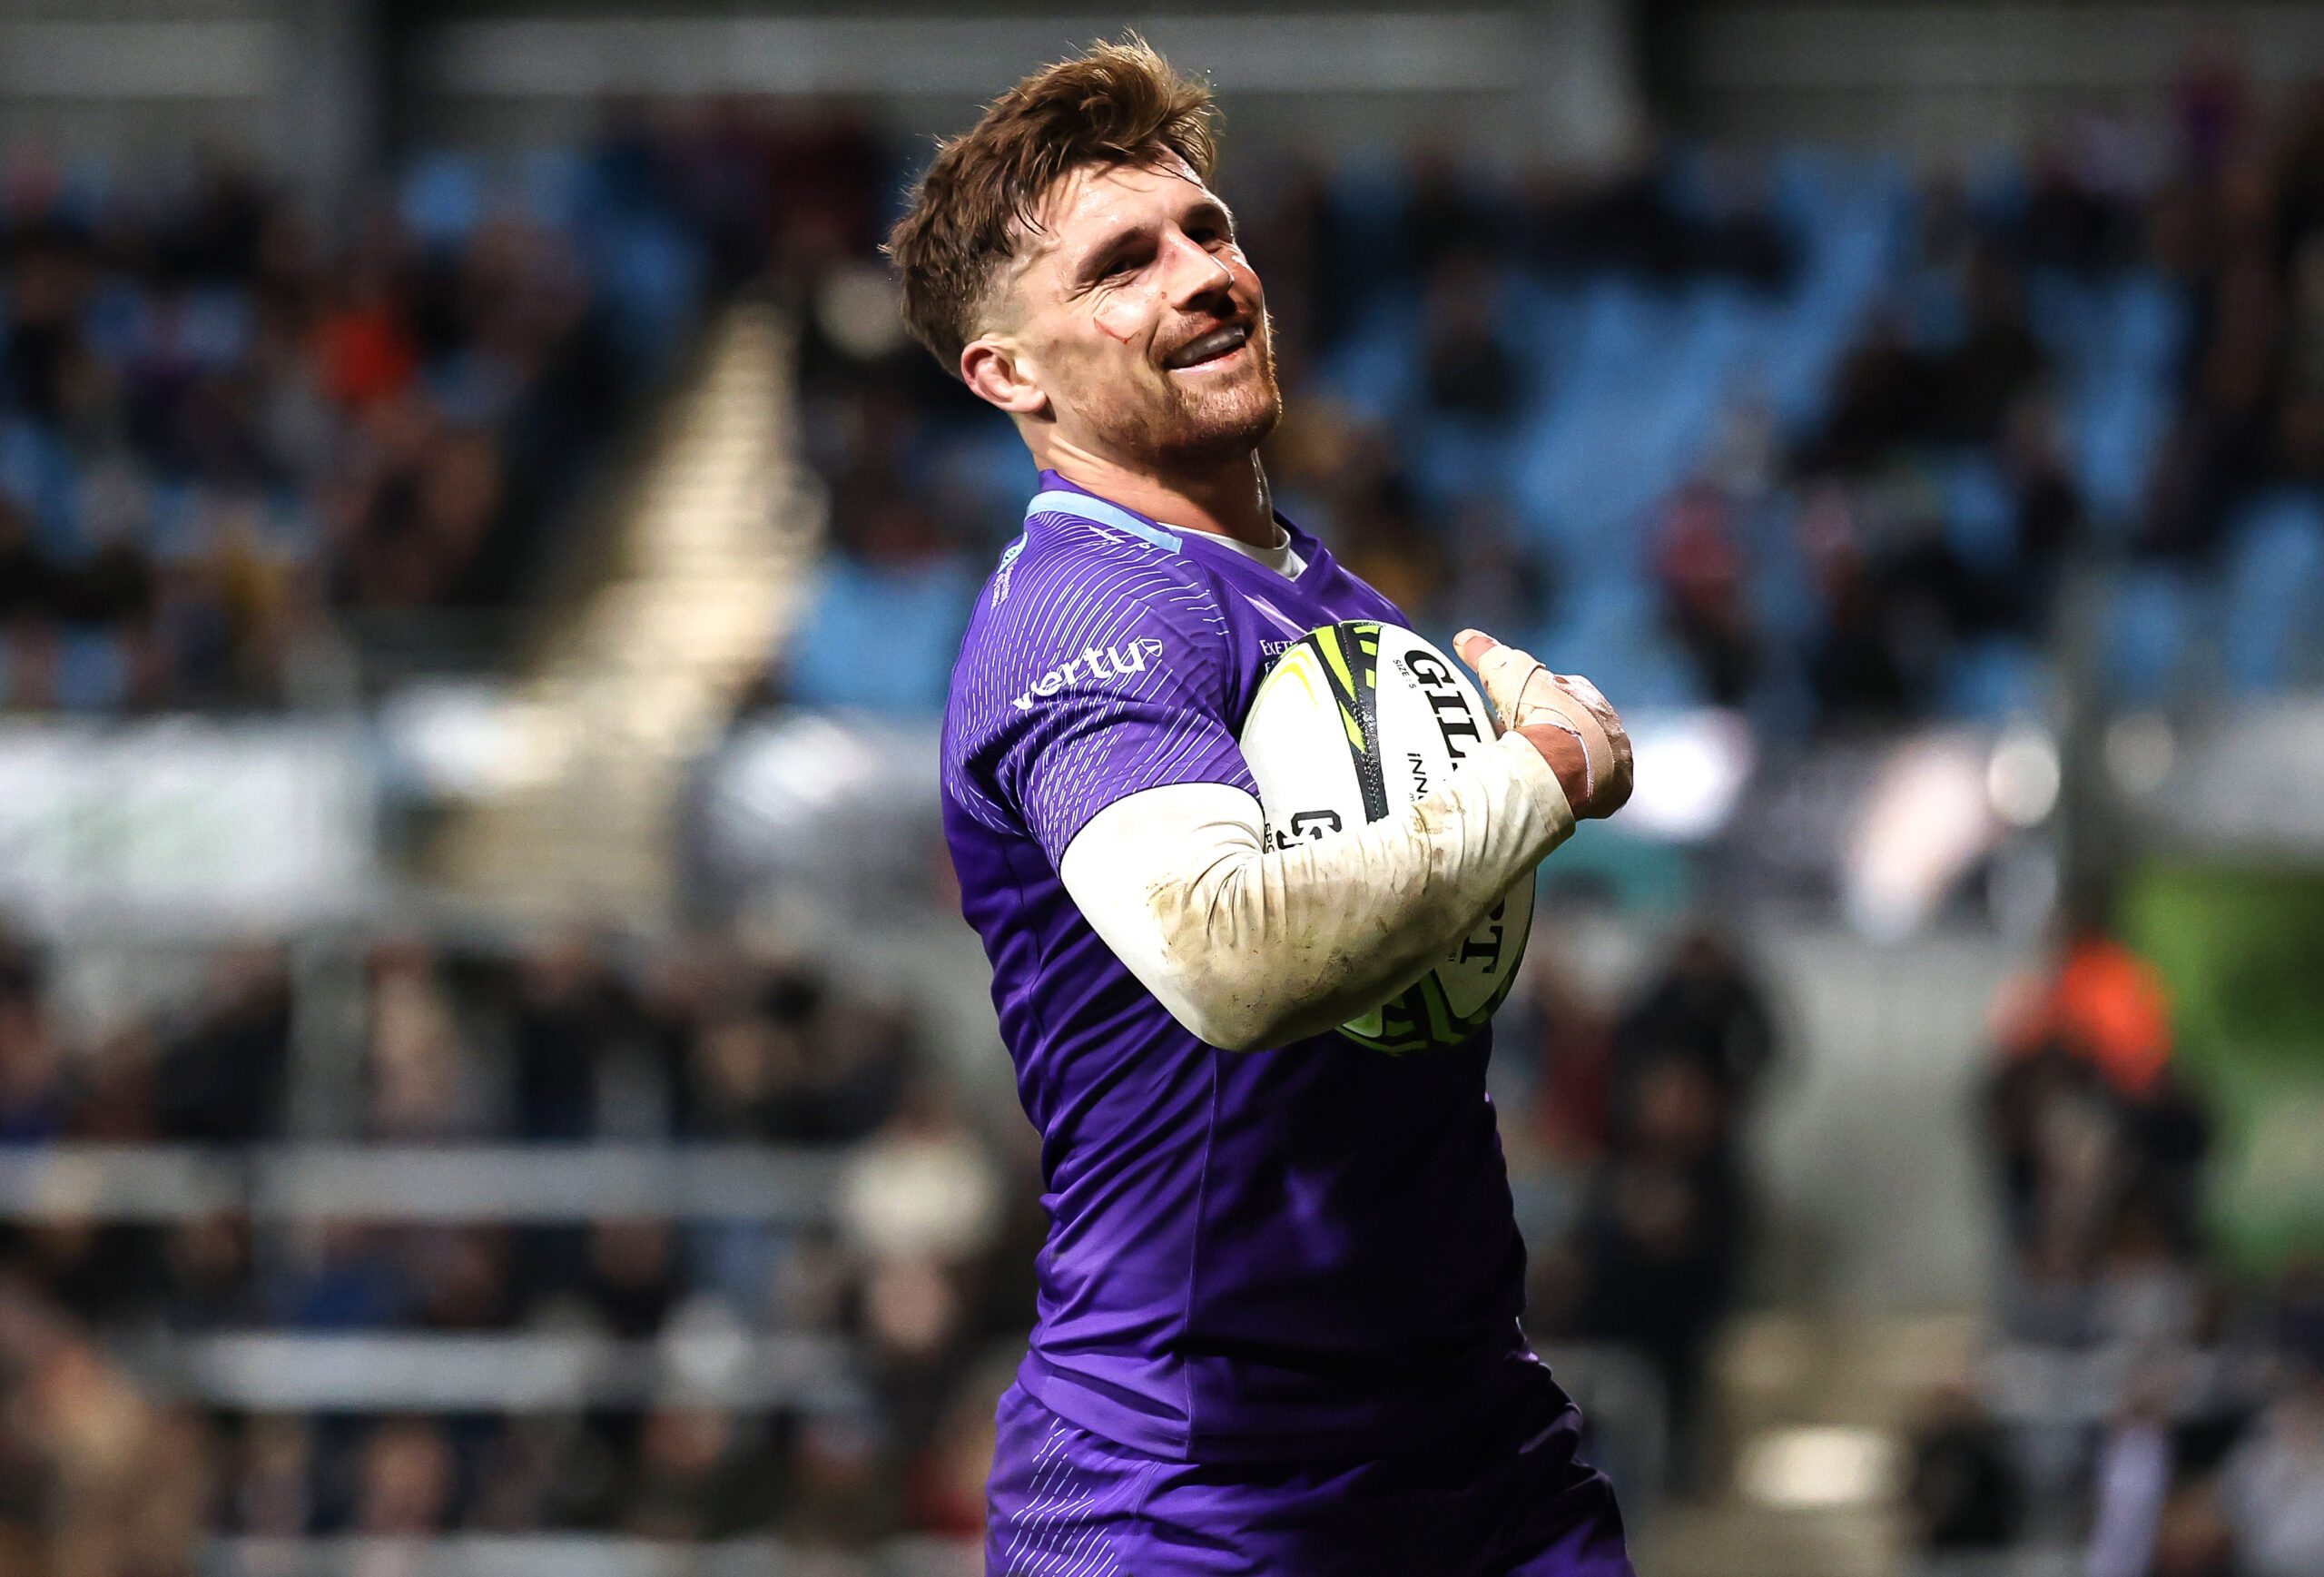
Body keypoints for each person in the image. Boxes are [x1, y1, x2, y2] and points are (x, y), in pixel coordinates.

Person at [889, 38, 1636, 1576]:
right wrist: (1542, 772)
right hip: (1197, 1494)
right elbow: (1235, 959)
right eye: (1121, 265)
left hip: (1474, 1456)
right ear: (1008, 374)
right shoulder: (1075, 612)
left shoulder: (1334, 603)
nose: (1203, 275)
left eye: (1208, 230)